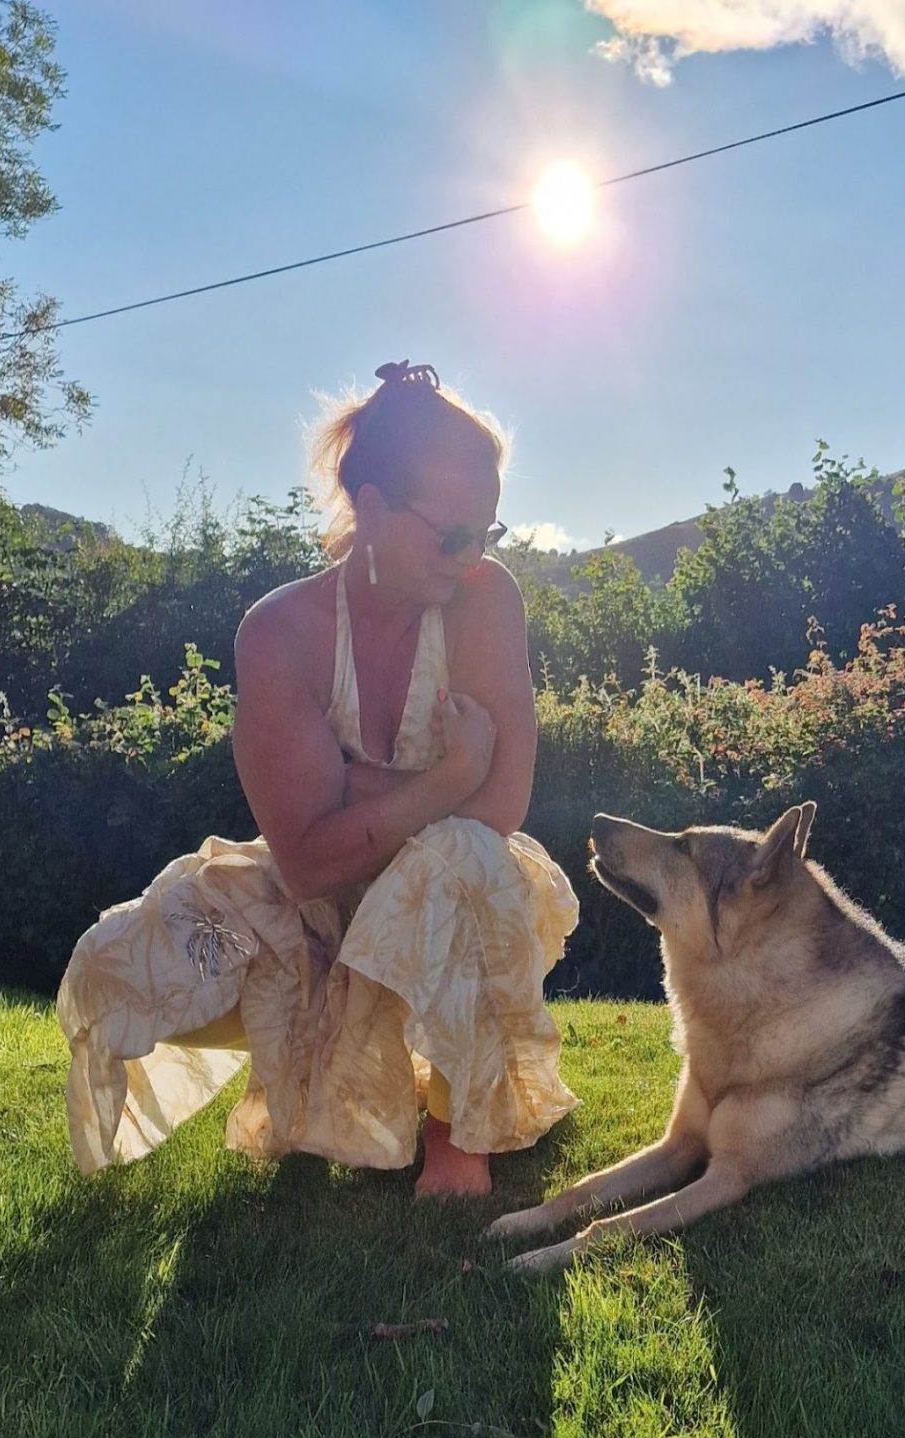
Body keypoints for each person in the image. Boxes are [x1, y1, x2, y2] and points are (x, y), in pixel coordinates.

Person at [57, 360, 579, 1195]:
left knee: (467, 860)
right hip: (311, 901)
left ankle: (457, 1139)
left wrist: (357, 796)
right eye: (451, 534)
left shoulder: (484, 599)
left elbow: (501, 809)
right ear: (371, 509)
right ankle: (325, 1054)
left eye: (488, 532)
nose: (471, 555)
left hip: (458, 899)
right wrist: (450, 775)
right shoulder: (279, 633)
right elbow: (301, 862)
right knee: (111, 962)